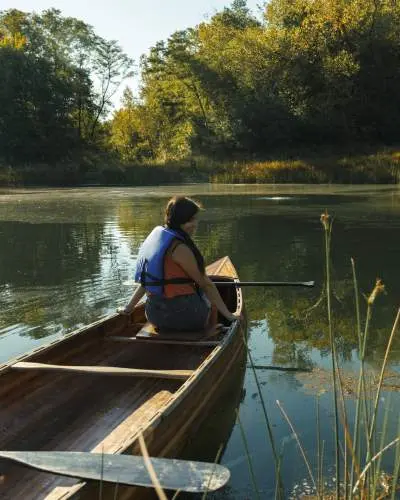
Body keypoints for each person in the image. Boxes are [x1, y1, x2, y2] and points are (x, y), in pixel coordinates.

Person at [119, 196, 240, 334]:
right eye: (191, 219)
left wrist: (129, 308)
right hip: (186, 318)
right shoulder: (179, 248)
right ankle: (211, 330)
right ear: (180, 219)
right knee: (210, 296)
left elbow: (146, 282)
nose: (195, 223)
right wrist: (229, 315)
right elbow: (206, 284)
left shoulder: (158, 242)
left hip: (154, 316)